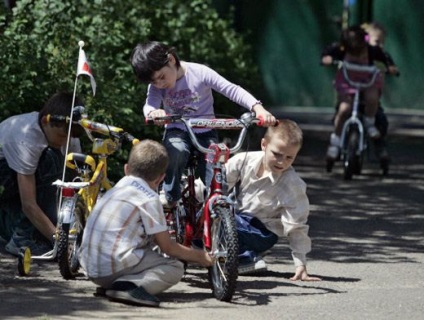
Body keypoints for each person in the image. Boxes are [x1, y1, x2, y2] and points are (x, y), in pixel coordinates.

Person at [130, 41, 276, 208]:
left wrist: (258, 108)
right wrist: (153, 113)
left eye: (161, 77)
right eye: (154, 82)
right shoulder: (156, 87)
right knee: (175, 150)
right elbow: (150, 104)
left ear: (171, 59)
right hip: (177, 130)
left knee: (216, 168)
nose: (159, 84)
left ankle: (218, 211)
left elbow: (232, 90)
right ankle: (170, 196)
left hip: (205, 131)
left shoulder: (199, 72)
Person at [79, 139, 214, 308]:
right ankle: (128, 286)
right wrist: (200, 256)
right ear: (161, 179)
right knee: (175, 267)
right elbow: (167, 248)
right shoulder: (149, 198)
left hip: (91, 270)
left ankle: (115, 284)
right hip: (111, 270)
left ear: (126, 169)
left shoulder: (115, 189)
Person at [225, 119, 321, 281]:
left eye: (289, 157)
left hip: (263, 232)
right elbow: (215, 183)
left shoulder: (292, 183)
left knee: (224, 221)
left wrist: (301, 265)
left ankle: (246, 258)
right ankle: (232, 253)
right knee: (208, 220)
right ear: (264, 144)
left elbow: (296, 225)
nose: (282, 162)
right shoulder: (243, 160)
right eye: (276, 154)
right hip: (238, 219)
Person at [0, 92, 83, 256]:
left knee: (62, 162)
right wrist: (60, 241)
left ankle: (17, 229)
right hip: (4, 173)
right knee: (51, 158)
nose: (65, 141)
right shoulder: (26, 139)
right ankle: (21, 239)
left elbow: (76, 178)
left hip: (20, 176)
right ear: (46, 121)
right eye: (61, 136)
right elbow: (29, 204)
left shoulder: (68, 133)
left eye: (69, 137)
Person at [321, 25, 399, 161]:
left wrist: (390, 66)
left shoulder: (371, 51)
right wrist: (326, 58)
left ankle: (369, 122)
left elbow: (384, 57)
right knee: (344, 109)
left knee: (372, 97)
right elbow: (329, 51)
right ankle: (336, 140)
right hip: (348, 82)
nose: (358, 55)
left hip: (367, 82)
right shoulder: (342, 49)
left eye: (361, 52)